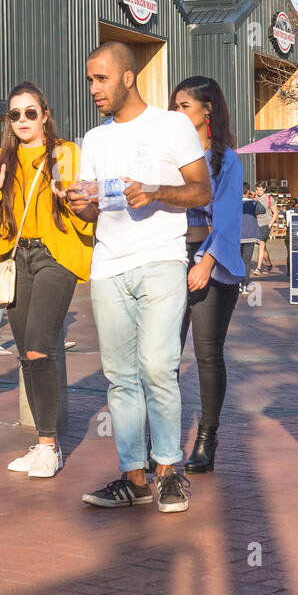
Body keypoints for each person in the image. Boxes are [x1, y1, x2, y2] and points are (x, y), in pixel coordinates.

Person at [66, 41, 211, 512]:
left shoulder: (171, 125)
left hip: (161, 261)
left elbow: (200, 190)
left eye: (101, 79)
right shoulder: (95, 138)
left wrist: (156, 192)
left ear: (128, 77)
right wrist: (81, 205)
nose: (93, 88)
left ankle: (168, 471)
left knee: (157, 367)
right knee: (120, 377)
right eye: (90, 80)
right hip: (108, 266)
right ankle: (133, 477)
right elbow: (92, 214)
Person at [0, 82, 93, 478]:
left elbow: (81, 217)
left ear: (45, 114)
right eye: (15, 114)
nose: (22, 120)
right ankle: (42, 445)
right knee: (27, 353)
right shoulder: (3, 157)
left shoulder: (63, 153)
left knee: (41, 345)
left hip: (53, 256)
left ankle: (48, 445)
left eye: (30, 112)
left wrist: (67, 197)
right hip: (14, 257)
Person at [169, 76, 245, 472]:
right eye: (175, 106)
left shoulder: (227, 160)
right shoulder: (168, 158)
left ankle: (206, 438)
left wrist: (206, 261)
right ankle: (162, 442)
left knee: (206, 354)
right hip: (168, 256)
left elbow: (230, 219)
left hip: (209, 261)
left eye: (184, 105)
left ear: (207, 110)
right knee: (163, 355)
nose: (177, 112)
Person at [239, 187, 264, 290]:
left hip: (237, 236)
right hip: (250, 236)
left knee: (238, 260)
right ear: (248, 191)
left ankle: (238, 284)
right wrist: (255, 198)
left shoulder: (234, 202)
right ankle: (245, 285)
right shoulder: (253, 203)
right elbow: (262, 210)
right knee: (247, 261)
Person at [253, 182, 277, 274]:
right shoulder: (254, 198)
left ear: (264, 189)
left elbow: (275, 212)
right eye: (257, 189)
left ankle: (258, 268)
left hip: (266, 224)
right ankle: (269, 265)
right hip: (256, 224)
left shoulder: (269, 199)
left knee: (261, 245)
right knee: (263, 247)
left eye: (260, 189)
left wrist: (270, 224)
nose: (258, 191)